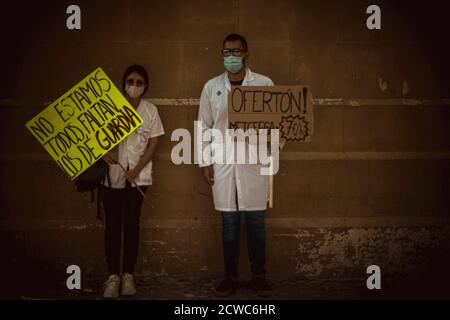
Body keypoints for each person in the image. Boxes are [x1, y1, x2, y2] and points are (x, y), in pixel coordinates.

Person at [197, 33, 274, 297]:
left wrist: (270, 147)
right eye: (227, 52)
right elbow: (204, 126)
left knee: (256, 223)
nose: (231, 57)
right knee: (228, 223)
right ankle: (230, 277)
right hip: (224, 162)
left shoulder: (264, 84)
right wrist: (205, 161)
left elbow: (278, 125)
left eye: (236, 51)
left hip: (254, 163)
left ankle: (259, 276)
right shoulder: (211, 87)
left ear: (246, 53)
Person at [101, 65, 165, 299]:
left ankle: (128, 275)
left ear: (145, 86)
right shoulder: (111, 107)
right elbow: (98, 138)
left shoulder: (150, 111)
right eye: (131, 81)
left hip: (139, 178)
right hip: (112, 177)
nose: (134, 86)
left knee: (131, 224)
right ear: (124, 83)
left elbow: (154, 144)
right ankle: (112, 277)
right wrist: (103, 152)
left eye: (139, 82)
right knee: (112, 226)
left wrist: (137, 170)